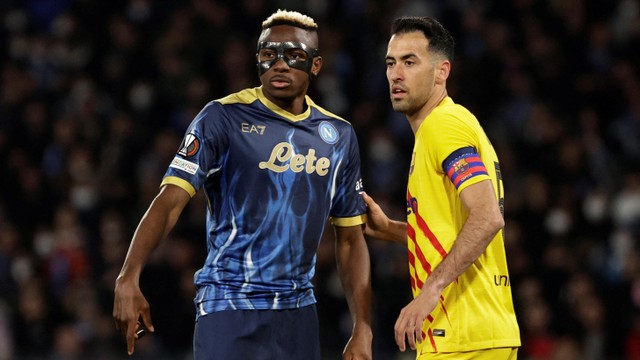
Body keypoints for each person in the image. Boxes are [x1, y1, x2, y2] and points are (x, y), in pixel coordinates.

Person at [113, 9, 373, 360]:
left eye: (293, 55)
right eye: (269, 54)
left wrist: (362, 327)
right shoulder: (222, 117)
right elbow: (169, 201)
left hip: (299, 313)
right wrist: (129, 275)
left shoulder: (338, 136)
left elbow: (350, 239)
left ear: (315, 65)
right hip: (229, 305)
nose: (279, 64)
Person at [361, 16, 520, 359]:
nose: (396, 74)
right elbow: (457, 228)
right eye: (391, 63)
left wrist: (431, 289)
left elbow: (488, 216)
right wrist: (391, 229)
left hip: (463, 335)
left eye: (409, 62)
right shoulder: (447, 125)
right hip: (476, 334)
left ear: (441, 71)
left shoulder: (442, 126)